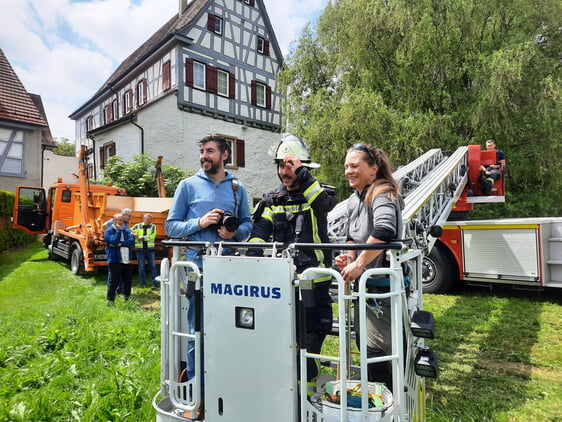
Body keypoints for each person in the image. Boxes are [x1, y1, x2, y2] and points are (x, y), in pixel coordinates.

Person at [165, 134, 252, 418]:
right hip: (196, 268)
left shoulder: (238, 188)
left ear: (225, 155)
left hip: (229, 268)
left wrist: (233, 233)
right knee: (196, 332)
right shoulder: (187, 186)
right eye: (202, 151)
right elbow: (170, 228)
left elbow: (248, 225)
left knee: (230, 331)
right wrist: (199, 223)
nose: (204, 156)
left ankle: (227, 390)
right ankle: (196, 395)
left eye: (210, 151)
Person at [247, 134, 337, 397]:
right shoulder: (272, 199)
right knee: (281, 340)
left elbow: (322, 206)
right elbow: (258, 233)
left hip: (315, 284)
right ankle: (284, 395)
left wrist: (302, 175)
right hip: (282, 285)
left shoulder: (321, 192)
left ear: (303, 167)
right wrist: (250, 260)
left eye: (289, 166)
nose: (283, 171)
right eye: (280, 165)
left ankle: (308, 397)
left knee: (311, 340)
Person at [335, 143, 403, 391]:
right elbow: (352, 236)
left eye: (354, 165)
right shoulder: (354, 200)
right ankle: (376, 401)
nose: (348, 171)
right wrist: (349, 259)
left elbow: (385, 231)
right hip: (364, 289)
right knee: (364, 345)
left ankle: (391, 404)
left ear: (373, 169)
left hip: (381, 291)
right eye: (346, 166)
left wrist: (360, 264)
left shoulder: (383, 193)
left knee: (377, 351)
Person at [105, 213, 135, 305]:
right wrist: (118, 231)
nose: (120, 222)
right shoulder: (108, 231)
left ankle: (127, 300)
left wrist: (121, 244)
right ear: (113, 221)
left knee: (128, 281)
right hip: (115, 260)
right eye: (118, 220)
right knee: (113, 281)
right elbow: (113, 241)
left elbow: (131, 241)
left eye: (121, 220)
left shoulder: (126, 230)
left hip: (126, 260)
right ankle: (110, 301)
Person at [131, 213, 159, 288]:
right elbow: (129, 231)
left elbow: (152, 236)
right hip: (140, 250)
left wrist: (142, 237)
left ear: (151, 220)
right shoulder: (137, 225)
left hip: (150, 250)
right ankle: (143, 284)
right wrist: (134, 234)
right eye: (146, 218)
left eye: (149, 219)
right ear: (143, 219)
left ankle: (155, 282)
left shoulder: (153, 226)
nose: (147, 220)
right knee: (141, 267)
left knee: (153, 266)